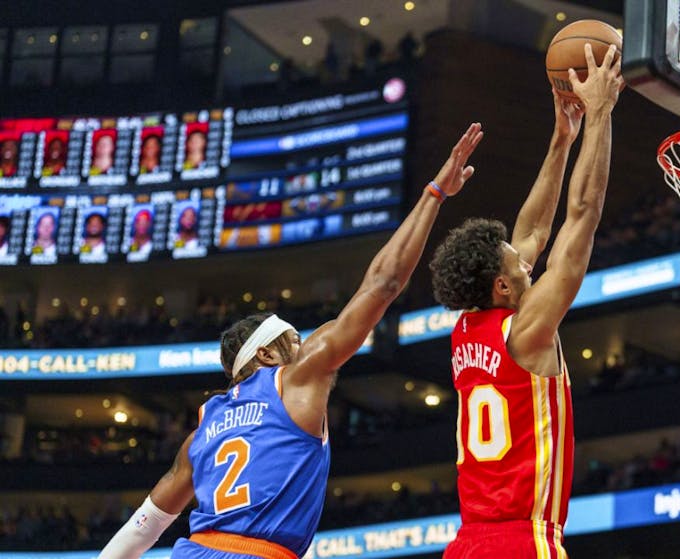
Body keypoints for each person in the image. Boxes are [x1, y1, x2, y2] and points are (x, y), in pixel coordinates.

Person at [97, 122, 484, 559]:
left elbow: (144, 526)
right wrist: (435, 193)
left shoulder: (203, 430)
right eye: (293, 340)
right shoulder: (295, 378)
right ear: (265, 353)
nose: (304, 347)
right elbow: (384, 283)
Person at [429, 45, 622, 558]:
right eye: (517, 262)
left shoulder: (469, 328)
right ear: (504, 288)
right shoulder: (529, 331)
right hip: (522, 541)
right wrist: (601, 113)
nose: (525, 255)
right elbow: (582, 213)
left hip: (466, 544)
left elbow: (535, 227)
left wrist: (563, 139)